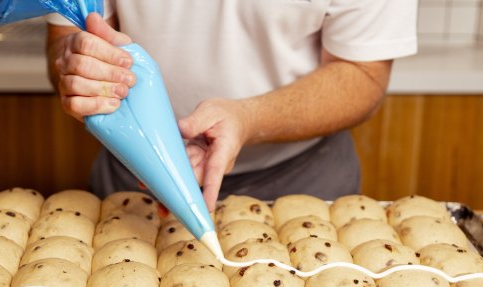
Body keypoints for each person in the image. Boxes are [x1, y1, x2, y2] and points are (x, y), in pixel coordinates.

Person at [46, 1, 418, 212]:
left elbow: (362, 73)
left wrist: (249, 118)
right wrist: (80, 65)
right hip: (135, 170)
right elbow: (68, 39)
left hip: (302, 185)